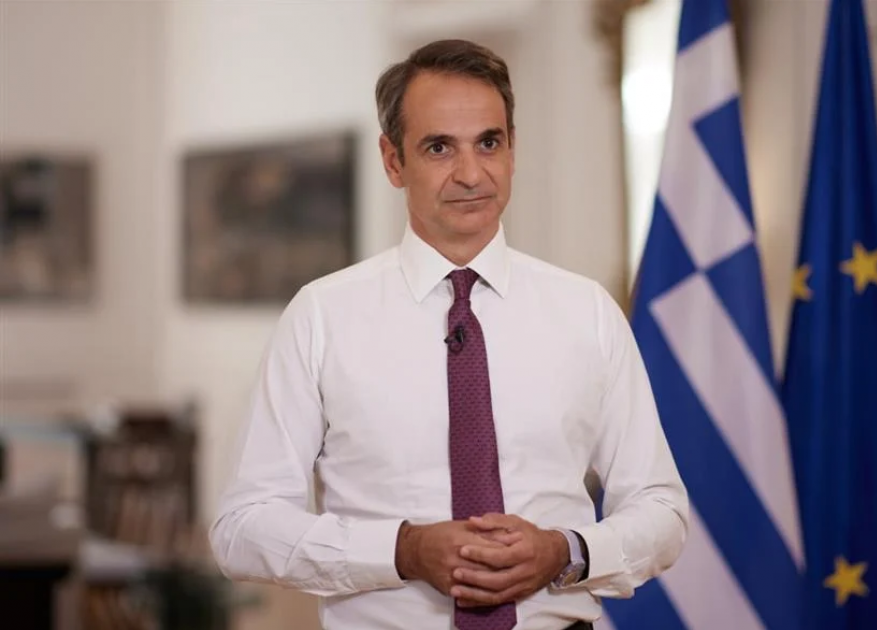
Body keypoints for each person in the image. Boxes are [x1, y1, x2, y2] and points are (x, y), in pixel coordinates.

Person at [210, 39, 689, 630]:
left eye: (489, 143)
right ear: (393, 162)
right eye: (439, 147)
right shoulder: (321, 317)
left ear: (512, 150)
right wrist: (402, 551)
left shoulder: (587, 311)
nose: (470, 174)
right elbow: (243, 528)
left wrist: (565, 551)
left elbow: (662, 509)